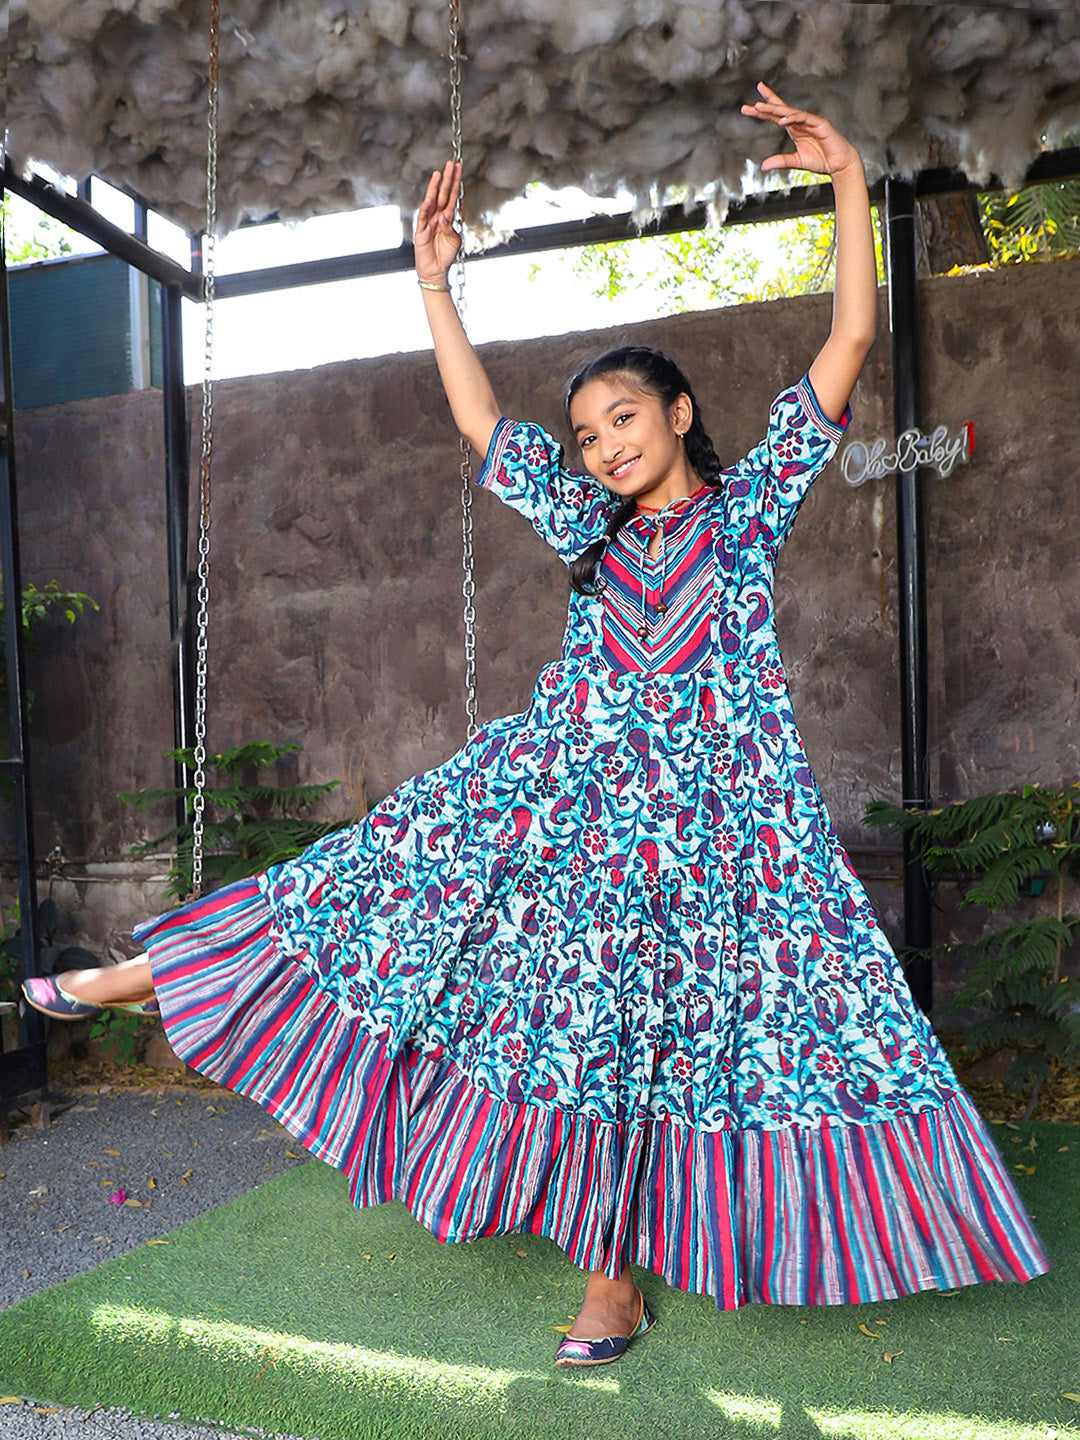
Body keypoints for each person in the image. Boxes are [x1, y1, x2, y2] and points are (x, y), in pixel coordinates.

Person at [24, 84, 1048, 1368]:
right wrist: (434, 283)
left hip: (714, 831)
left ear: (679, 417)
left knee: (669, 1039)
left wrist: (847, 175)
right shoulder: (589, 531)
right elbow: (476, 422)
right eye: (587, 432)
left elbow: (849, 334)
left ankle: (612, 1287)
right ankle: (145, 976)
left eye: (624, 416)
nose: (603, 443)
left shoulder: (750, 508)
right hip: (560, 800)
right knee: (375, 888)